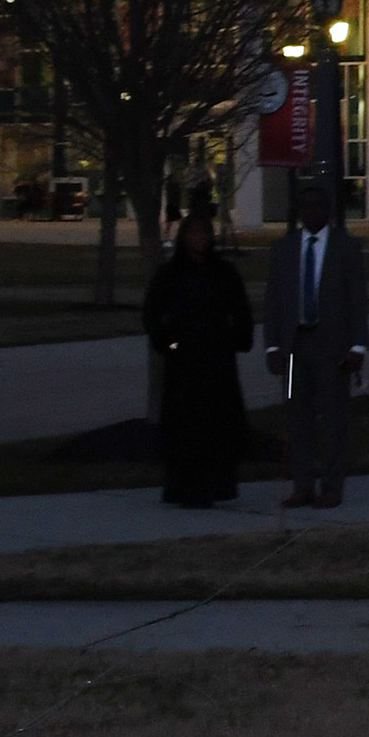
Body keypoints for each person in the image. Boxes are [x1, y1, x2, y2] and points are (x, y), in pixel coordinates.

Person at [263, 181, 369, 509]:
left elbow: (357, 299)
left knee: (335, 419)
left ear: (327, 211)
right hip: (295, 349)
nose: (311, 212)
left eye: (317, 206)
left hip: (332, 349)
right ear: (298, 212)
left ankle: (332, 486)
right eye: (305, 206)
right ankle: (303, 485)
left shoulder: (346, 247)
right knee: (297, 417)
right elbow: (274, 301)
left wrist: (358, 347)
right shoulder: (284, 249)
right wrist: (272, 348)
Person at [146, 203, 255, 509]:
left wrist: (235, 341)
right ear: (184, 237)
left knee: (217, 426)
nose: (200, 239)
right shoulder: (171, 274)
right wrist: (169, 344)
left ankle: (215, 486)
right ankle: (184, 488)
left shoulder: (223, 272)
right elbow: (154, 314)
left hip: (217, 361)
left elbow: (241, 312)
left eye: (204, 233)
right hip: (184, 363)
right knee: (184, 427)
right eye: (194, 233)